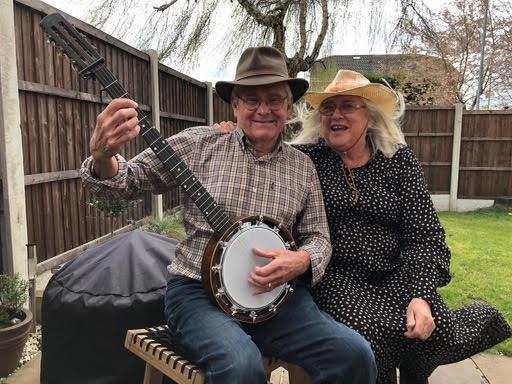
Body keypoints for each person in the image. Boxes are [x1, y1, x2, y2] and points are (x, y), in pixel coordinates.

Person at [80, 47, 376, 384]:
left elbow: (318, 236)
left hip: (276, 300)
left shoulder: (302, 166)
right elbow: (125, 182)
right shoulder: (198, 145)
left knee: (354, 355)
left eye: (274, 99)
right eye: (251, 99)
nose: (263, 109)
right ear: (234, 104)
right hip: (196, 295)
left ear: (288, 107)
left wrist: (302, 261)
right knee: (241, 366)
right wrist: (103, 157)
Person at [216, 69, 512, 383]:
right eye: (329, 108)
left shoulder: (398, 161)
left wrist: (421, 295)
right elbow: (261, 148)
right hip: (335, 276)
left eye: (348, 106)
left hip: (395, 275)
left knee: (431, 319)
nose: (336, 115)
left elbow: (425, 235)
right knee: (369, 332)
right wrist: (233, 135)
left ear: (369, 116)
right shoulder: (306, 159)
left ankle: (416, 371)